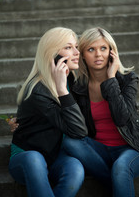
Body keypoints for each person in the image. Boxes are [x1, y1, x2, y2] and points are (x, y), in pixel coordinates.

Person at [62, 27, 139, 197]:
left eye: (103, 48)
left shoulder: (127, 79)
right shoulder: (78, 87)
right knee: (70, 142)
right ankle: (117, 183)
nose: (98, 54)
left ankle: (117, 178)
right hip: (99, 151)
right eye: (91, 49)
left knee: (121, 167)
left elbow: (122, 118)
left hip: (131, 148)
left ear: (111, 52)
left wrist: (111, 79)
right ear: (82, 54)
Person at [8, 27, 88, 197]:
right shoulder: (38, 90)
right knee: (34, 160)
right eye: (68, 47)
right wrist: (61, 90)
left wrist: (63, 89)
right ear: (51, 54)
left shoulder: (71, 80)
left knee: (75, 168)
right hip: (27, 159)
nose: (76, 52)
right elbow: (78, 130)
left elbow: (79, 131)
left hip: (55, 155)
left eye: (76, 46)